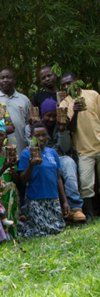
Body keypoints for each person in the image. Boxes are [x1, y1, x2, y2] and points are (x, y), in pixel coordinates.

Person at [24, 98, 86, 222]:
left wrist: (62, 130)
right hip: (40, 157)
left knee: (69, 163)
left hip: (58, 156)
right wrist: (33, 127)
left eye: (54, 115)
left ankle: (75, 207)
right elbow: (31, 145)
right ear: (42, 115)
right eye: (48, 116)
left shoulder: (61, 123)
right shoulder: (30, 127)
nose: (51, 119)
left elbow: (65, 148)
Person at [60, 73, 100, 221]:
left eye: (69, 83)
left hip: (99, 143)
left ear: (77, 82)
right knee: (86, 184)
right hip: (83, 149)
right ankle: (89, 215)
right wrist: (75, 111)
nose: (66, 86)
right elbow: (69, 128)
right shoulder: (65, 103)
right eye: (63, 84)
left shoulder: (93, 94)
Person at [18, 122, 68, 237]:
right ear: (32, 137)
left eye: (43, 135)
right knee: (42, 231)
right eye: (37, 135)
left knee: (58, 228)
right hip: (36, 199)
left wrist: (64, 201)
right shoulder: (26, 154)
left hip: (53, 198)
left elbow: (58, 178)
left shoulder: (52, 152)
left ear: (47, 136)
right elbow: (23, 180)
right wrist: (31, 165)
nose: (41, 138)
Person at [0, 69, 31, 155]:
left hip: (22, 147)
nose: (5, 80)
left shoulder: (24, 99)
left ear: (14, 80)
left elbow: (29, 123)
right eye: (2, 78)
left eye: (8, 77)